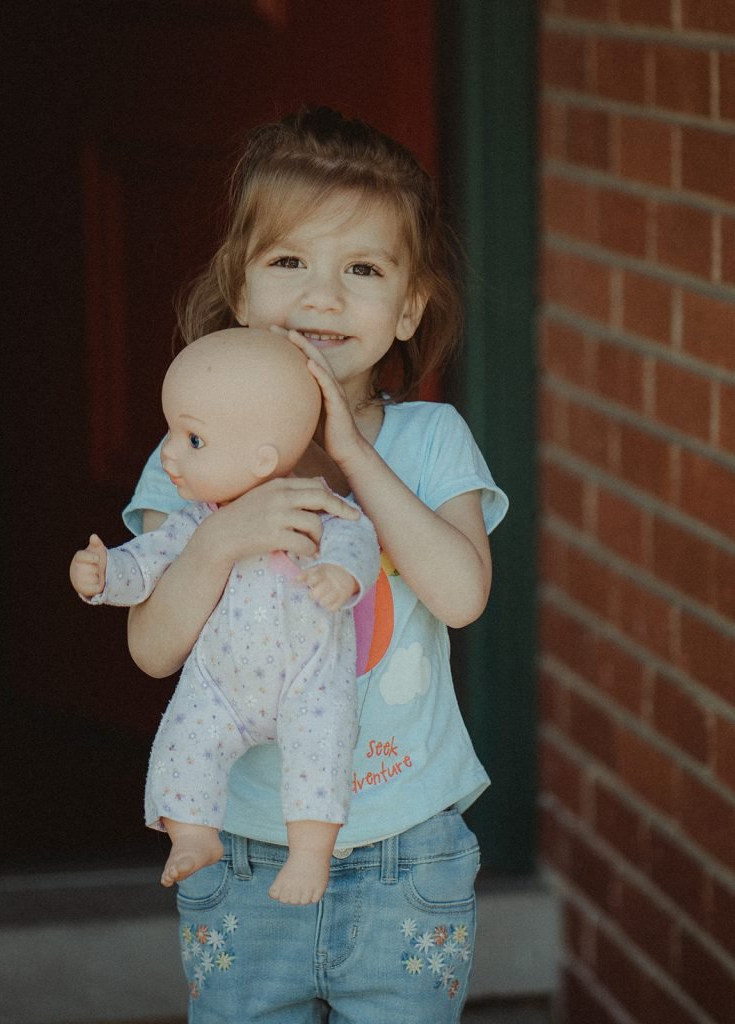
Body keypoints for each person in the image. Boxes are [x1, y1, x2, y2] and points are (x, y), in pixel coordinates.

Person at [123, 107, 508, 1022]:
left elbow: (460, 598)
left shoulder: (427, 439)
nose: (323, 297)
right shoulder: (197, 453)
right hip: (247, 849)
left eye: (363, 270)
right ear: (241, 288)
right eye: (289, 261)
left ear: (408, 306)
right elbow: (151, 648)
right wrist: (219, 533)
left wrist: (356, 456)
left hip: (406, 849)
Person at [70, 329, 380, 904]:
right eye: (171, 432)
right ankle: (192, 835)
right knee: (183, 740)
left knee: (322, 748)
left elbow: (355, 536)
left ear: (262, 457)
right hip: (221, 686)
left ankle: (309, 854)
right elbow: (147, 562)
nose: (168, 454)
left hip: (306, 681)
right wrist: (105, 574)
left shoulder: (312, 501)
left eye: (192, 439)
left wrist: (343, 575)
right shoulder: (195, 522)